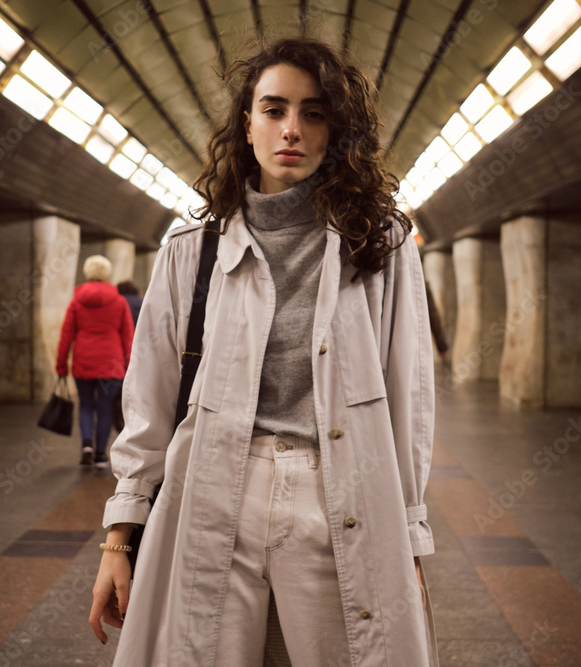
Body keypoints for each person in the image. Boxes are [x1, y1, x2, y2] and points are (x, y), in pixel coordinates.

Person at [89, 37, 437, 666]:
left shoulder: (381, 246)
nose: (292, 130)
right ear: (245, 123)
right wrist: (119, 540)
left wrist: (408, 541)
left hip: (340, 499)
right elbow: (147, 403)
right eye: (274, 110)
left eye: (314, 112)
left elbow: (408, 403)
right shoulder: (190, 251)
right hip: (212, 493)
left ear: (338, 129)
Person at [56, 255, 134, 468]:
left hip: (83, 361)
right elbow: (128, 336)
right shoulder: (119, 301)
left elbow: (66, 335)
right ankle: (101, 454)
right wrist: (130, 365)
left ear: (87, 272)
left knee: (86, 405)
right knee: (105, 408)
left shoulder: (76, 301)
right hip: (112, 364)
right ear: (107, 273)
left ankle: (86, 446)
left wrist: (61, 365)